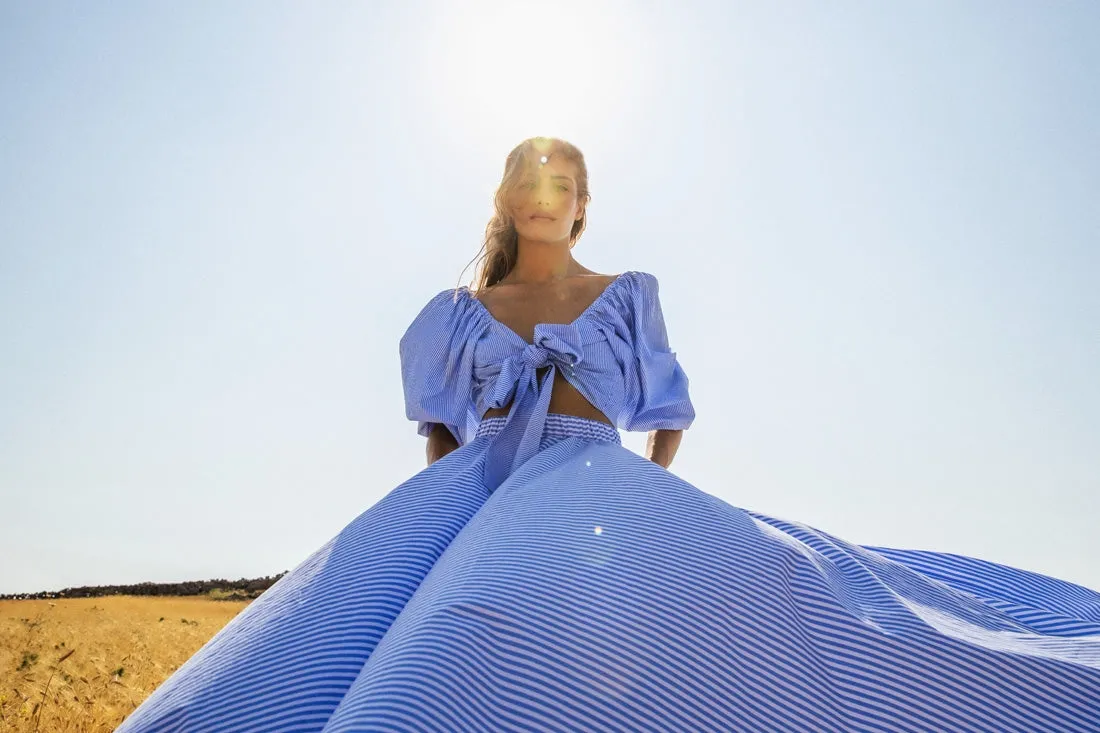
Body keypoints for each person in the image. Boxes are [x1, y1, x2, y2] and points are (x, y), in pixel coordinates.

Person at [118, 137, 1099, 732]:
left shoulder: (625, 296)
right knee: (395, 654)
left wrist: (642, 492)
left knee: (800, 596)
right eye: (527, 178)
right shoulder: (452, 314)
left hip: (599, 484)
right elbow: (438, 438)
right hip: (481, 498)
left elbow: (665, 415)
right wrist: (466, 502)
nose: (546, 194)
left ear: (583, 203)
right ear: (505, 199)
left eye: (565, 181)